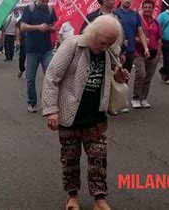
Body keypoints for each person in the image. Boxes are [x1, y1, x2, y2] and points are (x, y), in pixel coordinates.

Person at [42, 15, 128, 210]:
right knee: (70, 159)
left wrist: (119, 76)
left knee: (99, 158)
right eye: (102, 42)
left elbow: (111, 77)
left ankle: (99, 199)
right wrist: (51, 110)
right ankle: (72, 197)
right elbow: (51, 78)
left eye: (110, 44)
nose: (105, 47)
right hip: (69, 114)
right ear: (92, 34)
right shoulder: (73, 45)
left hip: (95, 116)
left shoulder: (109, 52)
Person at [20, 0, 57, 113]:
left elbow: (54, 27)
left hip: (47, 48)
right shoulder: (29, 9)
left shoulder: (50, 10)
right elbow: (23, 27)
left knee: (50, 77)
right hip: (32, 49)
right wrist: (38, 27)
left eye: (47, 1)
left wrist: (50, 28)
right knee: (30, 78)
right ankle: (32, 102)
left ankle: (46, 101)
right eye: (43, 0)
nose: (45, 3)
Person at [114, 0, 149, 113]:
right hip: (117, 50)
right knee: (114, 75)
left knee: (125, 76)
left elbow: (140, 32)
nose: (127, 0)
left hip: (130, 50)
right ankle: (113, 102)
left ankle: (122, 102)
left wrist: (145, 48)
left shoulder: (135, 15)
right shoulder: (115, 13)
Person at [132, 0, 162, 109]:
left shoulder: (156, 23)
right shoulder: (137, 21)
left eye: (150, 7)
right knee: (141, 73)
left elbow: (159, 38)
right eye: (145, 7)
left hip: (153, 53)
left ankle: (143, 98)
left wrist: (158, 53)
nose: (147, 9)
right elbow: (132, 36)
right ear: (142, 8)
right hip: (139, 51)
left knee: (148, 76)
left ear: (153, 9)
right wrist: (142, 40)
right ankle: (135, 98)